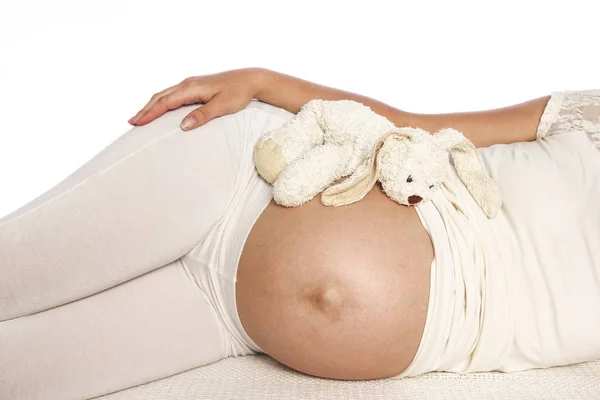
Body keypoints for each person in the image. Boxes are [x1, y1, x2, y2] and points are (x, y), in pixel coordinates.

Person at [1, 67, 599, 400]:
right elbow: (414, 125)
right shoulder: (591, 113)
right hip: (234, 178)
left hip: (222, 320)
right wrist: (262, 82)